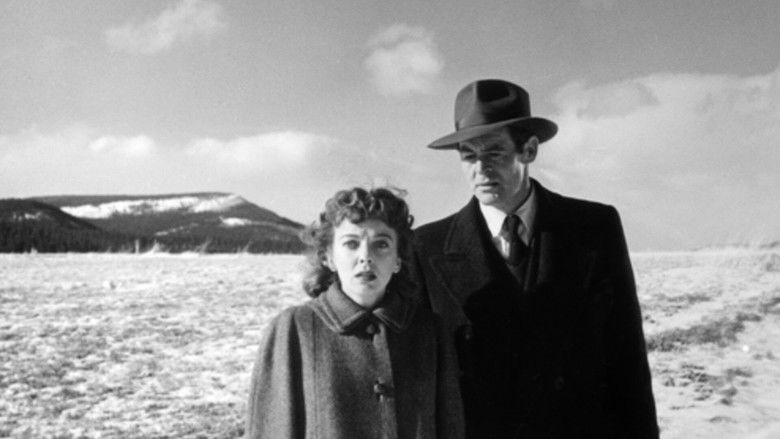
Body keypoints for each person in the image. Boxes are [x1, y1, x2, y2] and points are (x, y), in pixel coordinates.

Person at [412, 79, 659, 438]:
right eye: (468, 155)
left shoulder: (594, 228)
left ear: (528, 150)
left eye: (494, 152)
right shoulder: (426, 246)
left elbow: (627, 358)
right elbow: (420, 378)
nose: (480, 168)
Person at [245, 187, 464, 439]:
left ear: (398, 260)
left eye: (381, 244)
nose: (366, 257)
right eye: (351, 244)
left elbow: (451, 428)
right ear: (328, 257)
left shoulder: (429, 331)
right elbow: (270, 429)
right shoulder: (294, 328)